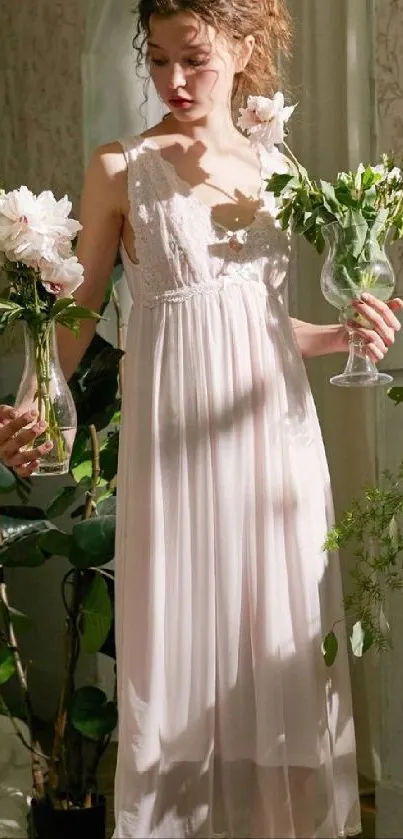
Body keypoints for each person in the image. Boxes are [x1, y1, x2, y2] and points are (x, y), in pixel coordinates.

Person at [0, 0, 402, 835]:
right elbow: (75, 316)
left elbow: (253, 320)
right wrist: (34, 400)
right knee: (179, 648)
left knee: (274, 641)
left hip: (274, 443)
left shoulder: (274, 163)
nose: (174, 81)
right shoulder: (121, 167)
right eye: (157, 61)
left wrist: (345, 331)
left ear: (244, 48)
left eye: (195, 59)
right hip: (177, 446)